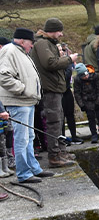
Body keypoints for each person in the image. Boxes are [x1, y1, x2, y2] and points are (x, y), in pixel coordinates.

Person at [0, 28, 55, 183]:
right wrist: (23, 90)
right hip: (18, 102)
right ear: (23, 41)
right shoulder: (9, 51)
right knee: (21, 139)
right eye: (31, 42)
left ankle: (34, 168)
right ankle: (24, 174)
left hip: (27, 101)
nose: (32, 46)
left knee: (29, 137)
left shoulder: (20, 52)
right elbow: (3, 76)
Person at [30, 18, 78, 168]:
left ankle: (61, 151)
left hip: (56, 88)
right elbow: (50, 63)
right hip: (49, 89)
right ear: (52, 30)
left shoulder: (49, 44)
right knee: (54, 121)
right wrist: (69, 59)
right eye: (59, 31)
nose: (61, 34)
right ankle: (54, 155)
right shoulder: (42, 44)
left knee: (59, 120)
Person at [73, 64, 99, 143]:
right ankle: (94, 134)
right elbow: (77, 93)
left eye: (86, 75)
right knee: (91, 118)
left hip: (97, 99)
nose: (86, 77)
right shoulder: (77, 80)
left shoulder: (95, 76)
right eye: (83, 76)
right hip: (86, 101)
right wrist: (82, 105)